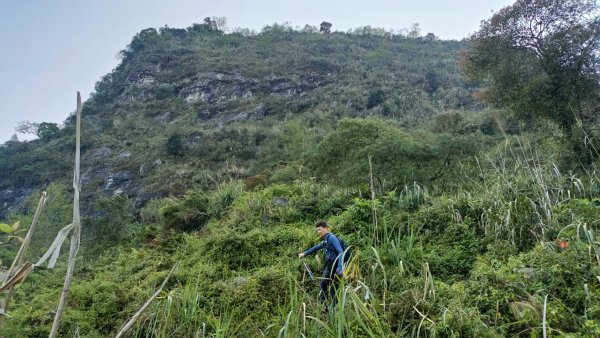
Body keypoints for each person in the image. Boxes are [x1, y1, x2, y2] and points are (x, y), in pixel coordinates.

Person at [298, 220, 345, 304]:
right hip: (330, 265)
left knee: (330, 288)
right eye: (317, 230)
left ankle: (330, 309)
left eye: (320, 229)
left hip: (336, 266)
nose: (318, 232)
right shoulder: (326, 240)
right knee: (327, 287)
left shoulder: (332, 238)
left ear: (326, 228)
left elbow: (341, 252)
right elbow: (316, 247)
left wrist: (340, 267)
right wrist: (304, 254)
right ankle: (326, 309)